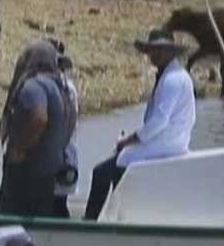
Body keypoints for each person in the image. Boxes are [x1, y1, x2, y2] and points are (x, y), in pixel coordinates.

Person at [83, 29, 196, 220]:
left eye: (160, 50)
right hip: (169, 141)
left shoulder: (172, 80)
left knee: (101, 172)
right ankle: (118, 215)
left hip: (165, 145)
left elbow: (158, 122)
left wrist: (127, 140)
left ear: (171, 52)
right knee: (119, 161)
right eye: (152, 49)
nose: (154, 54)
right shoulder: (174, 75)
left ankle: (90, 221)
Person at [0, 39, 76, 218]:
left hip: (28, 168)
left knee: (10, 219)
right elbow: (69, 125)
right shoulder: (61, 87)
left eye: (25, 57)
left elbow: (39, 118)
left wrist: (20, 149)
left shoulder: (34, 85)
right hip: (49, 170)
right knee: (40, 219)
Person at [51, 44, 81, 217]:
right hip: (64, 152)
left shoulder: (64, 88)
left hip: (58, 154)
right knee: (58, 204)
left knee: (55, 204)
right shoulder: (66, 87)